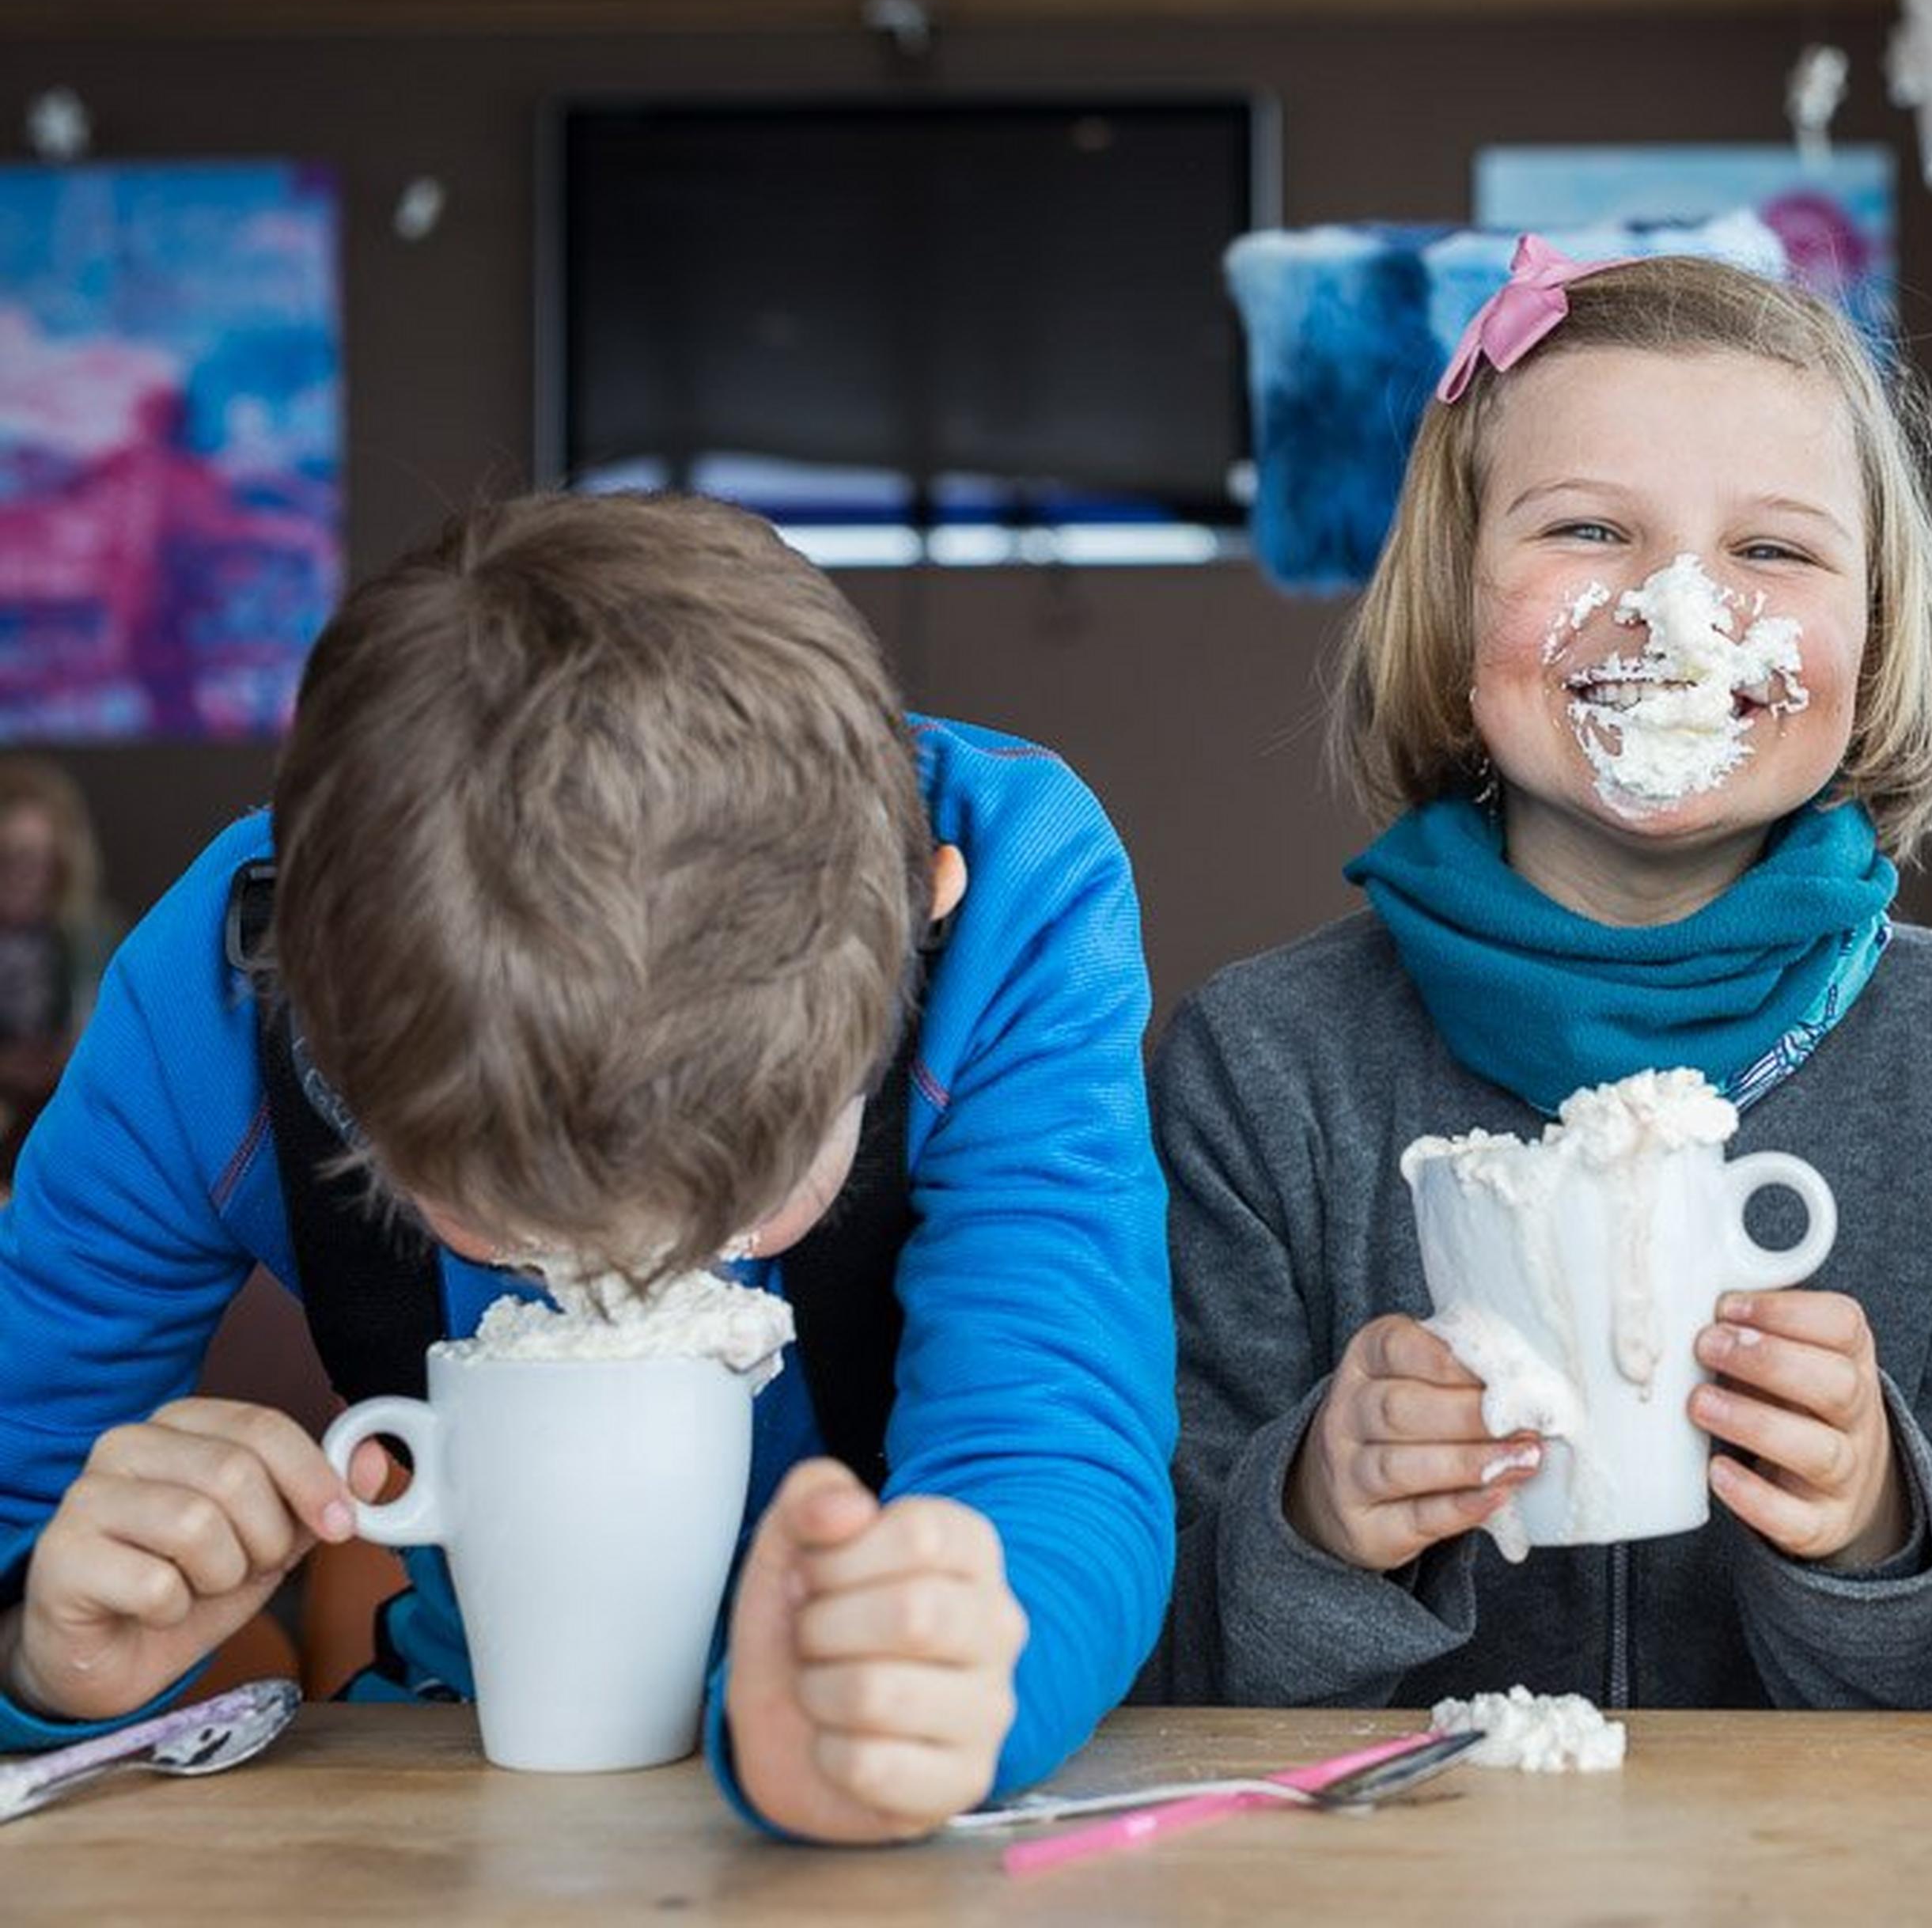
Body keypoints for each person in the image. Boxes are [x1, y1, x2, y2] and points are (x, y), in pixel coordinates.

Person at [0, 492, 1176, 1840]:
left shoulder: (1022, 898)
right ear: (315, 1017)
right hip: (469, 1762)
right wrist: (42, 1655)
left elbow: (1052, 1452)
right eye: (510, 1230)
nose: (632, 1277)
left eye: (746, 1196)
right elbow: (21, 1471)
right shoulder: (205, 1002)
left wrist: (932, 1703)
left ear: (920, 914)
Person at [1147, 239, 1932, 1710]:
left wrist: (1874, 1522)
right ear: (1456, 602)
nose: (1677, 609)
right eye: (1589, 529)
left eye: (1772, 551)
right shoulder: (1261, 1062)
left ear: (1877, 626)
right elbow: (1172, 1682)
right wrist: (1316, 1521)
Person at [0, 756, 112, 1188]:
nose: (23, 879)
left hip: (57, 1133)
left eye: (37, 863)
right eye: (10, 861)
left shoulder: (91, 942)